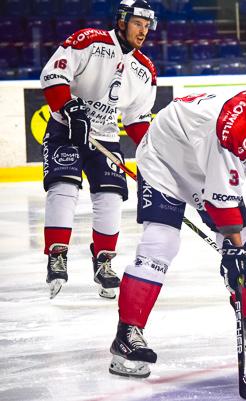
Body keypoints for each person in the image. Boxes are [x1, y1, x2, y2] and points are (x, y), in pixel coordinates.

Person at [107, 59, 246, 378]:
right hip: (165, 162)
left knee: (245, 244)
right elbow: (221, 200)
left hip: (202, 159)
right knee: (161, 243)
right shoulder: (236, 129)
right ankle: (127, 335)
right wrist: (232, 248)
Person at [40, 0, 158, 300]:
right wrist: (69, 108)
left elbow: (136, 119)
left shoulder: (145, 69)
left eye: (147, 26)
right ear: (122, 21)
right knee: (64, 186)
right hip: (66, 128)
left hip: (105, 138)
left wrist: (155, 151)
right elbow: (54, 74)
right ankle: (57, 255)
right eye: (137, 24)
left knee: (111, 196)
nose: (143, 31)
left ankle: (103, 260)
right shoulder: (90, 41)